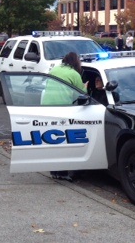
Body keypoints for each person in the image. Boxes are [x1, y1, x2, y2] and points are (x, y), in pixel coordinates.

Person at [44, 52, 84, 181]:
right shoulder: (74, 74)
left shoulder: (55, 69)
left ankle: (55, 171)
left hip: (46, 107)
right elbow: (82, 95)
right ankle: (62, 173)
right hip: (64, 109)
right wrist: (86, 87)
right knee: (64, 141)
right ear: (75, 62)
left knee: (54, 141)